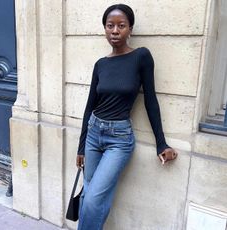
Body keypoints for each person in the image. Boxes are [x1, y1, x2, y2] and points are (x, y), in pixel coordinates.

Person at [76, 4, 178, 230]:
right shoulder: (101, 64)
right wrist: (81, 147)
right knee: (88, 195)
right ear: (104, 29)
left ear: (130, 28)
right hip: (93, 134)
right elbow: (89, 106)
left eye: (121, 26)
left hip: (119, 140)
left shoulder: (141, 56)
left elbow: (150, 99)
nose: (114, 31)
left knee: (93, 200)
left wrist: (161, 142)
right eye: (110, 26)